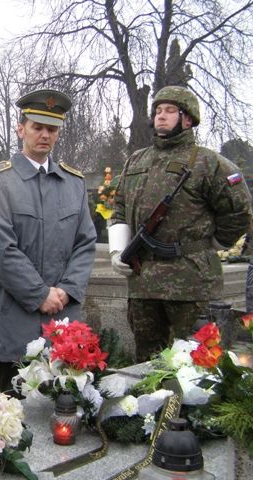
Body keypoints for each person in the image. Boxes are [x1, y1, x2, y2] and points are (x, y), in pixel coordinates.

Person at [109, 85, 252, 362]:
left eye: (170, 111)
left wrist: (213, 243)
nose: (161, 116)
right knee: (147, 364)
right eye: (158, 111)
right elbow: (120, 207)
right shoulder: (136, 160)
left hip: (192, 282)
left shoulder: (209, 163)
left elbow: (239, 211)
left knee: (197, 363)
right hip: (143, 283)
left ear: (187, 119)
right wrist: (117, 250)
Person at [0, 89, 97, 395]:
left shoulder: (73, 182)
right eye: (37, 127)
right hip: (18, 318)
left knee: (67, 406)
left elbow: (85, 243)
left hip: (65, 319)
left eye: (52, 129)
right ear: (21, 129)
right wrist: (39, 293)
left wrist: (67, 289)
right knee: (15, 410)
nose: (45, 135)